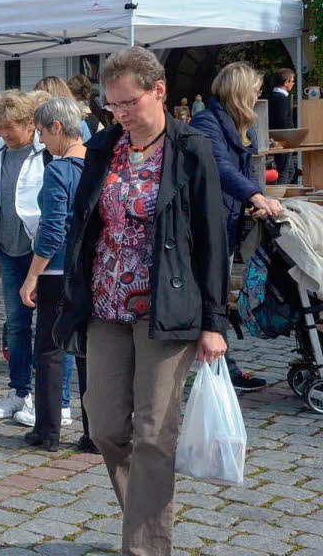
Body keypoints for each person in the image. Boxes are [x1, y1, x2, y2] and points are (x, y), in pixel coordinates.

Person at [54, 47, 228, 556]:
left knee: (154, 433)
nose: (121, 113)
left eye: (129, 102)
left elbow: (212, 237)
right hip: (104, 305)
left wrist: (214, 321)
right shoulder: (105, 146)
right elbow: (85, 224)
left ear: (159, 91)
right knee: (105, 426)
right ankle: (143, 519)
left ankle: (146, 547)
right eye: (112, 105)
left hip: (166, 310)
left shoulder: (191, 149)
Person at [190, 62, 283, 392]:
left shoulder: (244, 126)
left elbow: (250, 170)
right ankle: (220, 366)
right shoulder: (206, 121)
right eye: (255, 89)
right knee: (210, 294)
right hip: (205, 224)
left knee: (215, 293)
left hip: (227, 221)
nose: (259, 94)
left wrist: (257, 199)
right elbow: (220, 167)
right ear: (240, 92)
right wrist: (255, 196)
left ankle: (217, 363)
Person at [17, 97, 90, 452]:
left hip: (58, 270)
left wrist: (32, 275)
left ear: (57, 127)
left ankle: (47, 431)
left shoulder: (59, 169)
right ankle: (96, 432)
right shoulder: (96, 164)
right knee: (89, 352)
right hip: (91, 270)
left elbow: (52, 230)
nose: (42, 141)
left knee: (49, 350)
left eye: (43, 133)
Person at [0, 90, 45, 420]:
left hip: (40, 252)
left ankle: (52, 399)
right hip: (9, 250)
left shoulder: (45, 154)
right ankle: (19, 391)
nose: (4, 133)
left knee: (50, 327)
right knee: (16, 326)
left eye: (10, 127)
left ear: (30, 123)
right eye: (0, 127)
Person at [269, 68, 296, 184]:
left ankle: (280, 194)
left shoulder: (273, 96)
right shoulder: (281, 98)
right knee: (284, 171)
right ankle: (278, 197)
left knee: (289, 170)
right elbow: (283, 121)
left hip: (280, 137)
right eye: (292, 81)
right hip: (283, 139)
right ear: (286, 82)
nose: (293, 84)